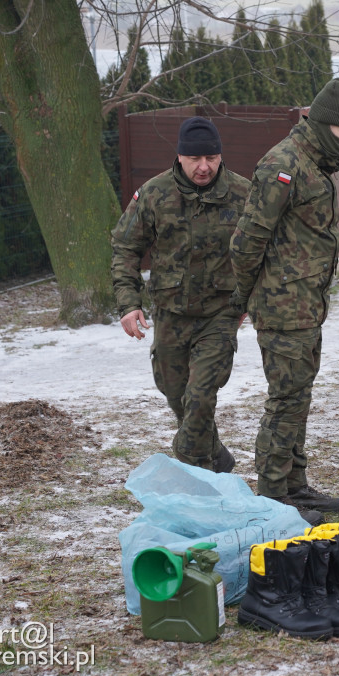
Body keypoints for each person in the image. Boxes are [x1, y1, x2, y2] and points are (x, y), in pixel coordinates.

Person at [229, 77, 339, 520]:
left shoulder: (312, 164)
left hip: (305, 307)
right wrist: (246, 298)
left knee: (299, 398)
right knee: (285, 400)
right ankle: (272, 497)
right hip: (281, 308)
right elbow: (247, 240)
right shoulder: (283, 165)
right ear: (324, 124)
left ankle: (294, 484)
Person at [110, 116, 251, 474]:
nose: (204, 167)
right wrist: (129, 303)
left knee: (201, 396)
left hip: (220, 314)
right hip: (171, 313)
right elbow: (126, 247)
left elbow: (265, 250)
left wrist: (252, 299)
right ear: (180, 157)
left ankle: (195, 476)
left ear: (221, 156)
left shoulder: (244, 193)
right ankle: (215, 454)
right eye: (195, 160)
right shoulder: (155, 194)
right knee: (177, 395)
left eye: (212, 158)